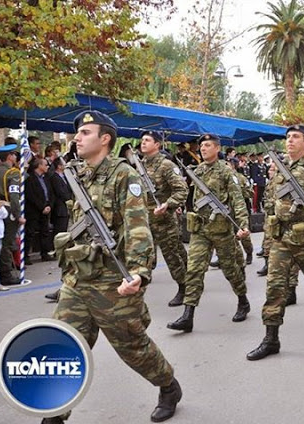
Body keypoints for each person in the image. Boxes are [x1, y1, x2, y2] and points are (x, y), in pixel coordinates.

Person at [49, 110, 181, 424]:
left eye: (85, 133)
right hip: (78, 280)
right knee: (63, 347)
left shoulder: (124, 175)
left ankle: (168, 386)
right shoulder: (79, 173)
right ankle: (54, 412)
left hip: (112, 281)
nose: (77, 138)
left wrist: (138, 271)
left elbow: (138, 227)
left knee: (132, 348)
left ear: (105, 139)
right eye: (77, 133)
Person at [246, 124, 304, 361]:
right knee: (275, 287)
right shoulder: (280, 168)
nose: (290, 141)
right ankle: (271, 338)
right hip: (282, 239)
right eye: (288, 137)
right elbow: (271, 199)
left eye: (295, 137)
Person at [167, 133, 251, 333]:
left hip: (222, 230)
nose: (202, 148)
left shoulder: (225, 171)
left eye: (207, 145)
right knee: (194, 270)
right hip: (201, 230)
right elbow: (192, 196)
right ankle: (188, 316)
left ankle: (243, 300)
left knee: (231, 270)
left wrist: (243, 224)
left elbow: (237, 200)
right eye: (202, 146)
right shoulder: (198, 170)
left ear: (216, 148)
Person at [140, 130, 190, 307]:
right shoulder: (140, 166)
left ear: (157, 144)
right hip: (145, 219)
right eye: (142, 140)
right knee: (143, 255)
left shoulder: (166, 165)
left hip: (164, 220)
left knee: (172, 256)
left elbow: (181, 190)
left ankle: (184, 288)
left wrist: (168, 205)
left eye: (147, 140)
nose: (143, 143)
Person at [0, 143, 24, 285]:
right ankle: (6, 275)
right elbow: (14, 196)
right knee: (7, 244)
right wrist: (18, 215)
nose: (15, 157)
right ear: (10, 156)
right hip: (9, 208)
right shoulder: (13, 173)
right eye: (14, 154)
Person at [25, 157, 55, 262]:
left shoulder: (46, 178)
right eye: (45, 165)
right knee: (30, 232)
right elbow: (31, 195)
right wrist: (42, 207)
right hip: (34, 210)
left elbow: (50, 192)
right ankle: (25, 255)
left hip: (46, 207)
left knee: (45, 231)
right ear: (39, 166)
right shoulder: (30, 178)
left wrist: (49, 205)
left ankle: (45, 253)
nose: (47, 167)